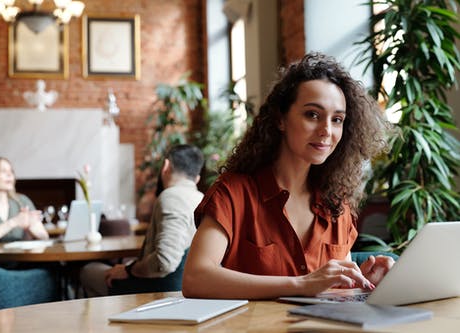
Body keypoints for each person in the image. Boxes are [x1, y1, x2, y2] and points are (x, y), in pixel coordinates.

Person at [182, 52, 396, 300]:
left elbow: (332, 291)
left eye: (337, 119)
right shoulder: (234, 193)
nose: (326, 130)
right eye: (312, 115)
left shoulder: (338, 204)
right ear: (280, 119)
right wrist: (301, 284)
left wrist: (362, 284)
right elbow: (195, 279)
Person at [80, 144, 205, 296]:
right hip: (187, 286)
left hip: (160, 290)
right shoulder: (202, 199)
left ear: (165, 166)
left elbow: (164, 262)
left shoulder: (172, 197)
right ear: (197, 178)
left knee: (88, 271)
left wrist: (129, 270)